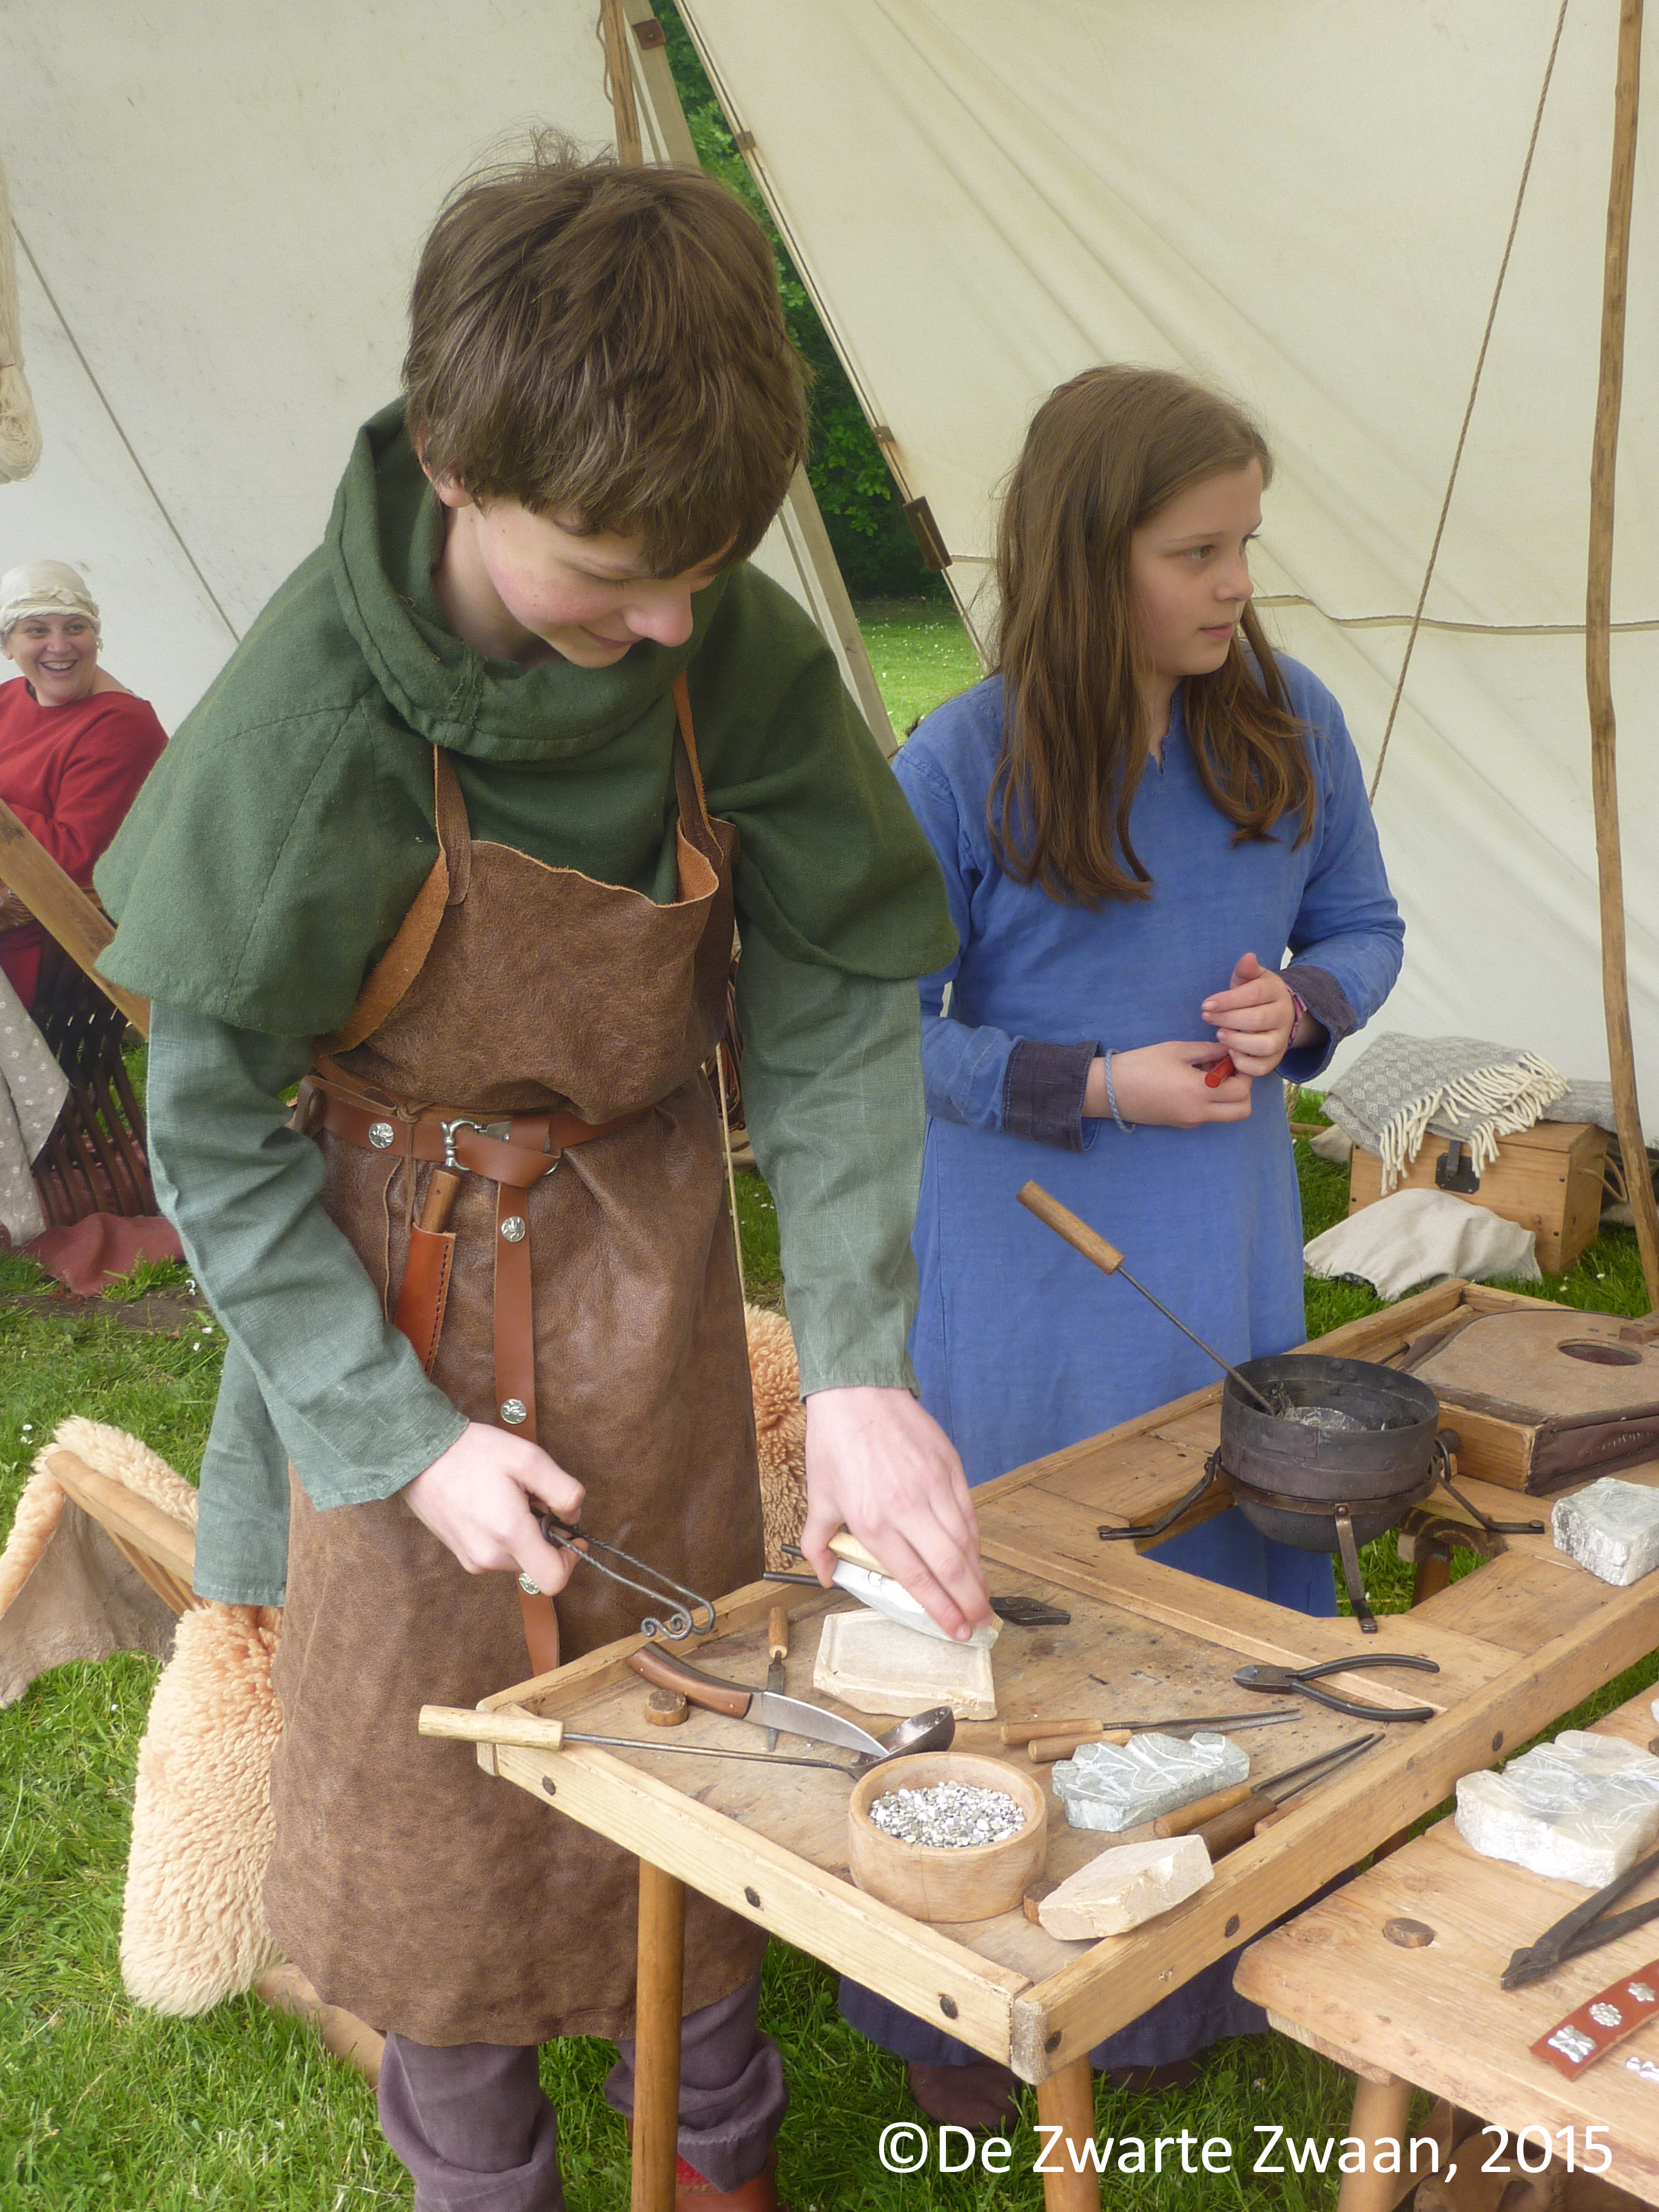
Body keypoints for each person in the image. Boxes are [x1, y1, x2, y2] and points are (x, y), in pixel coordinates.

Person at [95, 146, 989, 2212]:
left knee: (695, 1721)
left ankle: (714, 2144)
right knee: (435, 1795)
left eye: (703, 566)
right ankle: (481, 2171)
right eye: (614, 572)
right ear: (451, 456)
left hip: (643, 1274)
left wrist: (854, 1360)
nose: (670, 622)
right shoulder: (306, 711)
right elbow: (213, 1128)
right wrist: (399, 1439)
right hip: (379, 1300)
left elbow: (847, 994)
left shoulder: (723, 646)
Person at [838, 364, 1405, 2123]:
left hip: (1223, 1240)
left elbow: (1366, 925)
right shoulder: (965, 758)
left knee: (1237, 1570)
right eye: (1198, 550)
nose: (1239, 583)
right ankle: (983, 1983)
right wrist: (1083, 1078)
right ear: (1093, 559)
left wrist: (1297, 1008)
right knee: (1034, 1614)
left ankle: (1212, 1963)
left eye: (1247, 543)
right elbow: (863, 1025)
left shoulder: (1284, 720)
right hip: (1030, 1257)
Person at [0, 562, 166, 1008]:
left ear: (96, 636)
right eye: (36, 631)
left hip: (48, 942)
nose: (59, 646)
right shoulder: (10, 697)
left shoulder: (119, 725)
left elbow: (76, 861)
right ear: (8, 646)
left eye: (75, 627)